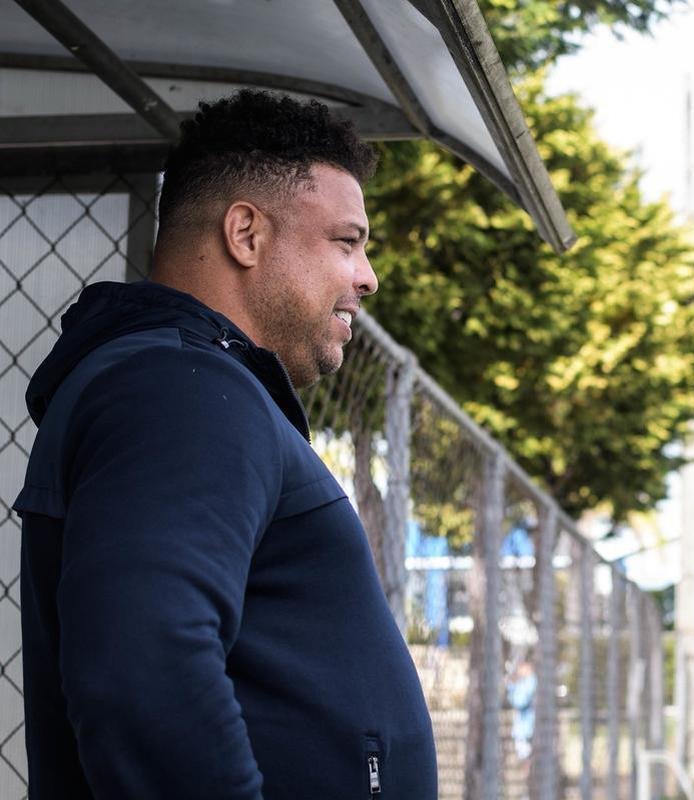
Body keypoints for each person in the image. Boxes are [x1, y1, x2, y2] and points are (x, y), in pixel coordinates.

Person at [14, 90, 437, 798]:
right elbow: (142, 666)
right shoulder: (178, 389)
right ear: (245, 233)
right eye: (346, 241)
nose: (367, 275)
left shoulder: (180, 384)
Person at [507, 659, 537, 762]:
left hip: (528, 727)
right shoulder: (523, 682)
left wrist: (512, 686)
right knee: (525, 757)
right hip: (523, 727)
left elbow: (519, 701)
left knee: (528, 758)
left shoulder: (531, 682)